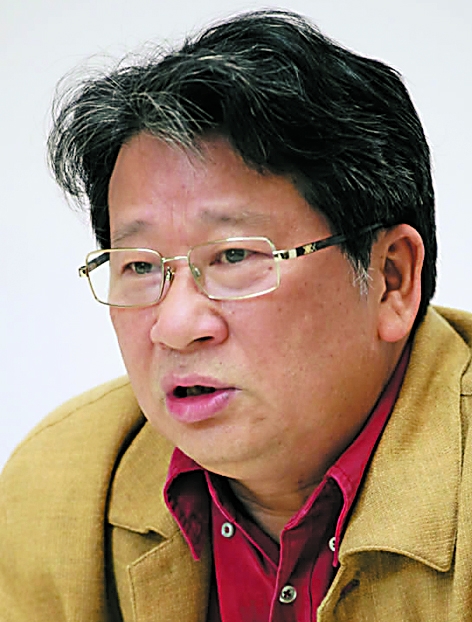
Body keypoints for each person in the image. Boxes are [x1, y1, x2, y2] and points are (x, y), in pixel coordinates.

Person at [1, 8, 471, 621]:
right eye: (140, 266)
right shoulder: (57, 487)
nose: (174, 326)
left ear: (391, 280)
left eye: (233, 256)